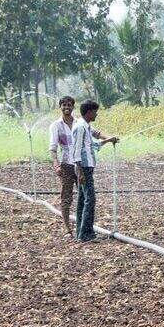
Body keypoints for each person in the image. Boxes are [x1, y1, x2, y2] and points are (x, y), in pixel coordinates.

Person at [70, 100, 119, 242]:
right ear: (89, 112)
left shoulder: (85, 126)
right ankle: (86, 234)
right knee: (90, 200)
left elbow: (92, 145)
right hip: (83, 167)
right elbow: (77, 150)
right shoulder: (80, 127)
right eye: (95, 111)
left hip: (85, 167)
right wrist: (79, 171)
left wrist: (109, 140)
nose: (96, 114)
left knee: (82, 200)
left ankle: (81, 233)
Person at [49, 96, 78, 237]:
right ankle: (68, 229)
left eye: (69, 105)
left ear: (73, 107)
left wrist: (107, 138)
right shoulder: (56, 125)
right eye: (64, 105)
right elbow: (53, 148)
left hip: (80, 164)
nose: (67, 107)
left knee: (84, 196)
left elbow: (93, 133)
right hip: (66, 165)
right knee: (66, 197)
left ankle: (83, 226)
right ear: (60, 107)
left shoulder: (79, 123)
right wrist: (56, 165)